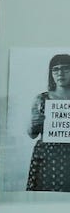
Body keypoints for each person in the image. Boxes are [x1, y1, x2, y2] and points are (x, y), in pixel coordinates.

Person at [25, 52, 70, 192]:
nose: (60, 73)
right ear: (51, 73)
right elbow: (32, 134)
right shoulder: (41, 99)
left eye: (65, 68)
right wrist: (35, 122)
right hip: (46, 158)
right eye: (55, 69)